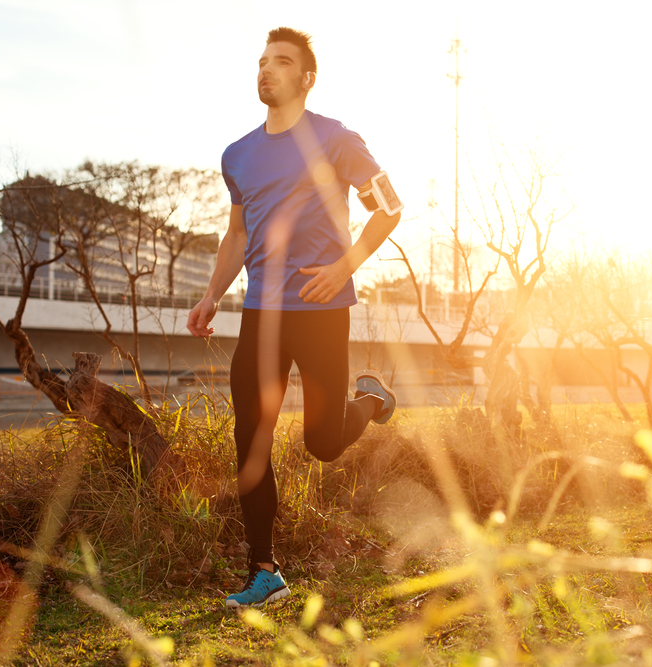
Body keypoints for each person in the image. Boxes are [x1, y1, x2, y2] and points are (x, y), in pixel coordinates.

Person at [187, 26, 401, 609]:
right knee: (250, 440)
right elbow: (237, 234)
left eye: (280, 62)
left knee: (323, 445)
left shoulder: (336, 139)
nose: (266, 70)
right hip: (261, 315)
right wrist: (211, 296)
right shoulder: (238, 155)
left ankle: (373, 401)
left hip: (323, 310)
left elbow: (390, 207)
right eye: (261, 61)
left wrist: (345, 265)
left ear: (307, 78)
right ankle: (265, 572)